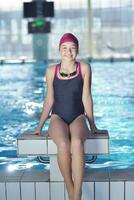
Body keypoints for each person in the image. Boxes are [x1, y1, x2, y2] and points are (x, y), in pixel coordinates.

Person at [34, 33, 98, 200]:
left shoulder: (84, 68)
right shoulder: (51, 71)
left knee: (77, 142)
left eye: (72, 48)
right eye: (65, 48)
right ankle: (70, 188)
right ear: (59, 50)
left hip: (78, 116)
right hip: (57, 117)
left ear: (77, 50)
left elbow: (86, 98)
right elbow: (49, 100)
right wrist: (39, 126)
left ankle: (77, 193)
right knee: (63, 144)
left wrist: (93, 125)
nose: (69, 52)